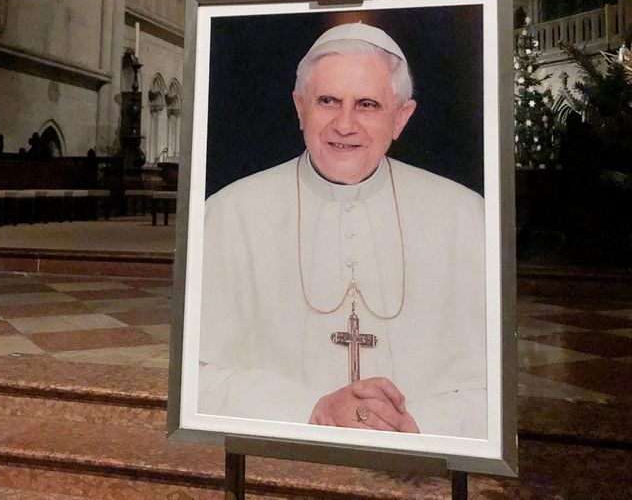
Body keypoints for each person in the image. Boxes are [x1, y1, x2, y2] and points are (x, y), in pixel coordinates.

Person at [198, 22, 487, 438]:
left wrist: (417, 424)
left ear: (401, 117)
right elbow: (196, 378)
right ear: (301, 108)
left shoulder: (465, 216)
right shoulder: (229, 214)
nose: (345, 124)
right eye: (328, 101)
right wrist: (309, 410)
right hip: (279, 455)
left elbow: (494, 385)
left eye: (367, 104)